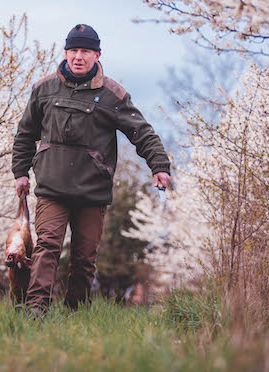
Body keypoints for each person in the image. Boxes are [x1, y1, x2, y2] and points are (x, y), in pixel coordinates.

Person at [12, 24, 171, 318]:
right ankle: (36, 308)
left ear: (97, 55)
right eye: (73, 50)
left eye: (85, 51)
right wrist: (20, 172)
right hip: (52, 187)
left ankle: (75, 313)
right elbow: (25, 134)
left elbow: (142, 133)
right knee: (47, 246)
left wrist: (159, 165)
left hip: (92, 191)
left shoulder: (113, 95)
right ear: (65, 52)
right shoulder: (44, 89)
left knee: (84, 259)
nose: (78, 57)